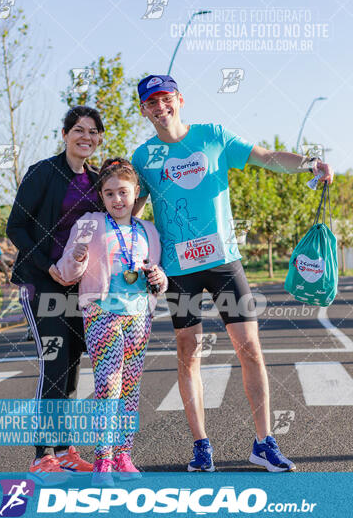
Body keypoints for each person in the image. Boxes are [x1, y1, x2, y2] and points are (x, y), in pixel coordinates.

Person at [132, 74, 334, 473]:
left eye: (165, 99)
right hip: (178, 270)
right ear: (144, 110)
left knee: (250, 350)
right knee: (188, 355)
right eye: (151, 103)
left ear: (180, 100)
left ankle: (264, 442)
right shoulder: (143, 157)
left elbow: (267, 157)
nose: (160, 107)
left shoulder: (213, 136)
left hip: (224, 262)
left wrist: (310, 163)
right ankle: (201, 447)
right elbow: (131, 208)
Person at [6, 105, 105, 477]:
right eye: (79, 130)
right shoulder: (43, 173)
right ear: (65, 134)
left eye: (93, 132)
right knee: (55, 363)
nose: (86, 137)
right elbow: (15, 227)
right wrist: (47, 265)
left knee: (73, 366)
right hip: (41, 282)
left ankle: (64, 450)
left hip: (80, 290)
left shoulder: (96, 181)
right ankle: (41, 455)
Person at [56, 158, 167, 485]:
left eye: (123, 192)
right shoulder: (89, 224)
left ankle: (123, 456)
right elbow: (66, 272)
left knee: (131, 388)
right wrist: (76, 256)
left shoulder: (148, 230)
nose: (117, 199)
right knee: (108, 384)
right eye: (109, 194)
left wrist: (159, 277)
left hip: (139, 314)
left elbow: (158, 275)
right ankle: (102, 460)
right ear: (101, 197)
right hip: (102, 311)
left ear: (135, 193)